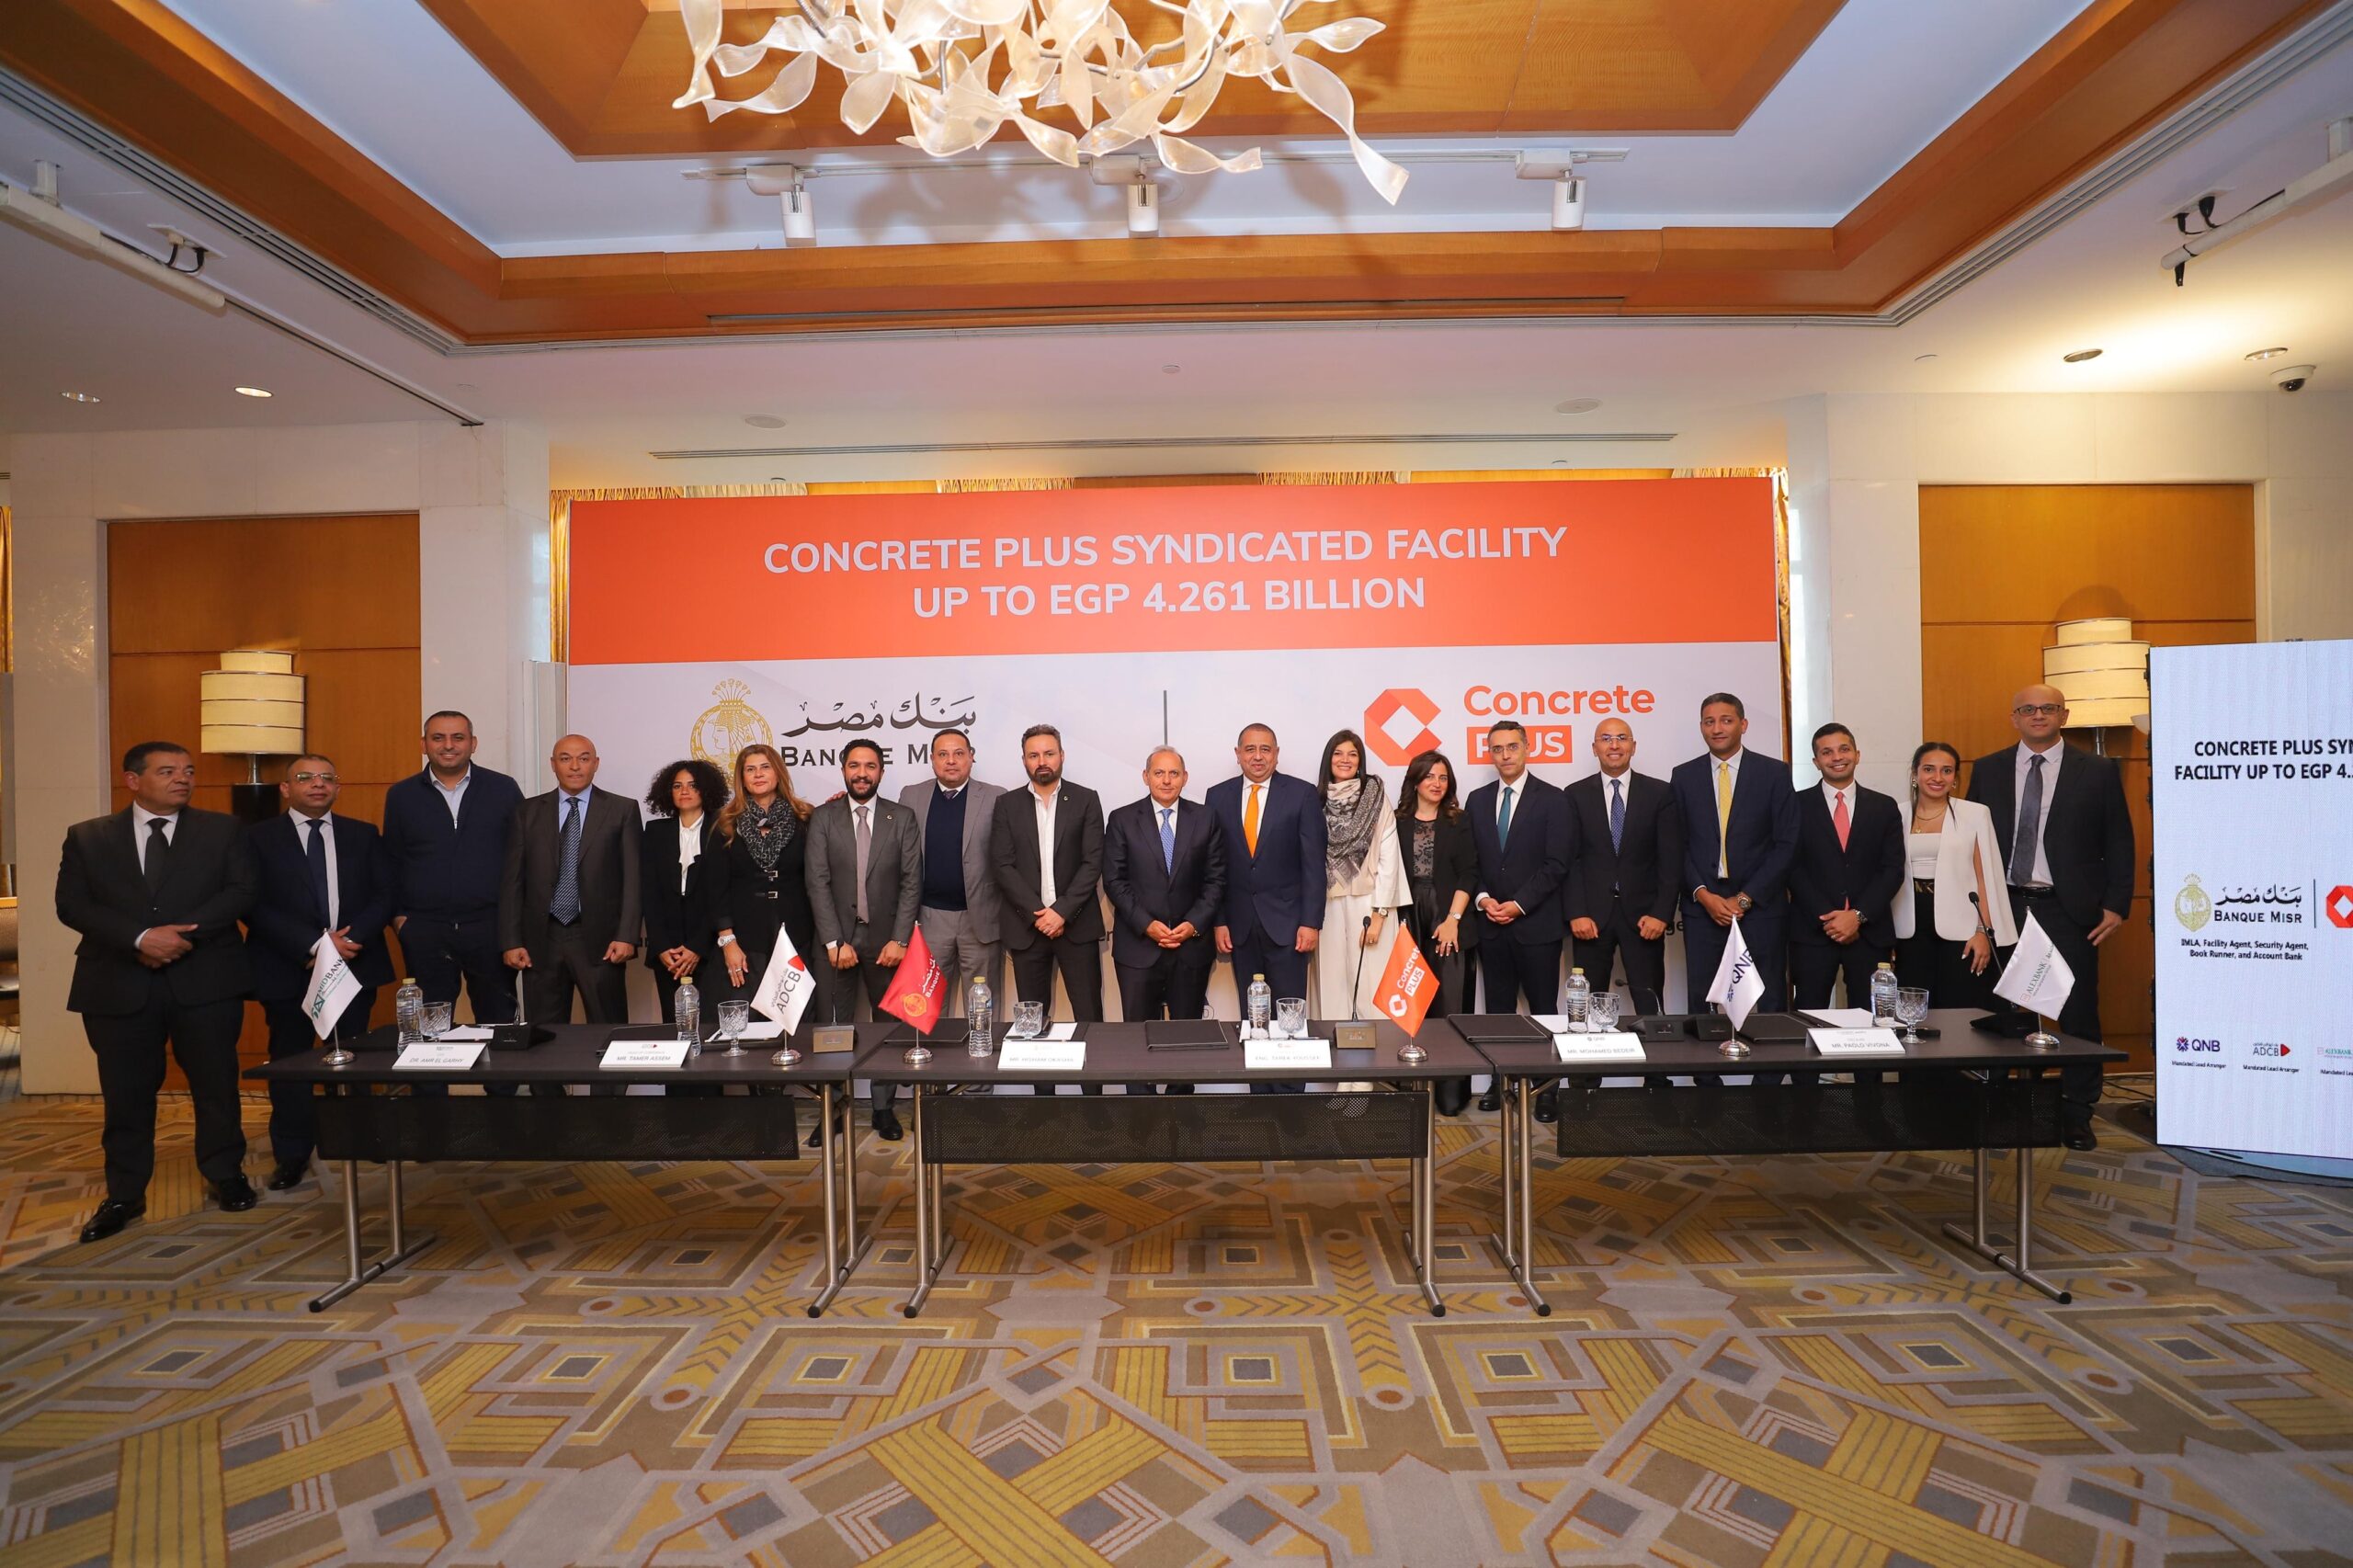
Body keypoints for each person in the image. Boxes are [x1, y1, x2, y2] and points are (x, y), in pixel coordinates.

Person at [58, 742, 258, 1242]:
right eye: (167, 771)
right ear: (133, 780)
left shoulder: (223, 830)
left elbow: (241, 892)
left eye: (187, 771)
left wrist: (177, 938)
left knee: (216, 1085)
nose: (182, 779)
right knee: (125, 1093)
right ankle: (124, 1193)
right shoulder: (88, 837)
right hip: (118, 982)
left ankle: (226, 1174)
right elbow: (73, 905)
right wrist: (140, 939)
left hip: (205, 978)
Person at [1967, 684, 2133, 1151]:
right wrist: (1974, 910)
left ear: (2064, 715)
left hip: (2069, 907)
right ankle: (2000, 1108)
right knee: (2001, 1013)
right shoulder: (1989, 769)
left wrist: (2117, 903)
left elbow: (2119, 839)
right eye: (2028, 708)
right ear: (2014, 717)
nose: (2037, 715)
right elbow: (1972, 844)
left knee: (2077, 1012)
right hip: (2005, 905)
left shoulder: (2097, 770)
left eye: (2048, 708)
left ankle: (2077, 1112)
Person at [244, 753, 393, 1190]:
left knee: (354, 1056)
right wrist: (315, 944)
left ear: (337, 787)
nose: (317, 784)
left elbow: (386, 894)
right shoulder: (256, 838)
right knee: (291, 1060)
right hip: (287, 964)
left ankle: (358, 1136)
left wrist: (349, 940)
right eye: (306, 777)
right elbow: (251, 903)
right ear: (285, 788)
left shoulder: (363, 835)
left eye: (327, 778)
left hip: (354, 962)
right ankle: (292, 1152)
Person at [381, 710, 526, 1096]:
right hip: (425, 930)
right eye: (439, 738)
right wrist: (400, 919)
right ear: (424, 744)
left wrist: (514, 925)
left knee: (497, 1023)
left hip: (489, 926)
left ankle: (503, 1115)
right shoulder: (402, 795)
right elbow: (391, 860)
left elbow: (521, 857)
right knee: (428, 1033)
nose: (448, 745)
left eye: (458, 737)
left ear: (473, 744)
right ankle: (432, 1119)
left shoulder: (503, 789)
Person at [500, 733, 642, 1095]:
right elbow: (513, 881)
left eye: (583, 758)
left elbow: (633, 879)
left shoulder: (622, 809)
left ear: (596, 763)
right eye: (565, 758)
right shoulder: (527, 812)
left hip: (600, 941)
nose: (575, 766)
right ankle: (552, 1115)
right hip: (541, 940)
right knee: (543, 1036)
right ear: (553, 764)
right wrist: (511, 940)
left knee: (610, 1033)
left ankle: (608, 1116)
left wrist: (627, 935)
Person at [805, 737, 923, 1137]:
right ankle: (833, 1110)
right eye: (854, 765)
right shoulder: (823, 818)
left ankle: (883, 1109)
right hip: (835, 942)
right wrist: (833, 941)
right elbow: (817, 882)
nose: (861, 773)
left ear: (881, 772)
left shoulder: (901, 817)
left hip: (887, 942)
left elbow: (912, 882)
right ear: (843, 770)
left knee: (888, 1029)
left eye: (870, 766)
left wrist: (900, 940)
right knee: (832, 1028)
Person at [1207, 723, 1325, 1094]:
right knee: (1253, 1018)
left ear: (1276, 753)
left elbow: (1313, 864)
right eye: (1250, 749)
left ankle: (1290, 1099)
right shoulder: (1218, 796)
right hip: (1239, 926)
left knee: (1290, 1016)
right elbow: (1215, 866)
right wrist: (1219, 921)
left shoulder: (1302, 794)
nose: (1257, 757)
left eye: (1265, 749)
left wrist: (1310, 922)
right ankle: (1260, 1096)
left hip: (1289, 925)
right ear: (1238, 754)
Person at [989, 725, 1108, 1094]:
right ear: (1024, 760)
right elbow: (1002, 865)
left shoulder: (1086, 799)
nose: (1042, 761)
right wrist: (1038, 913)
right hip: (1028, 928)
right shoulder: (1006, 805)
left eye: (1049, 753)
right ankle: (1043, 1106)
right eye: (1034, 755)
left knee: (1089, 1017)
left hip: (1077, 926)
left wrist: (1062, 912)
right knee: (1032, 1023)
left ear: (1062, 756)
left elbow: (1093, 862)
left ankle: (1094, 1104)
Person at [1103, 746, 1227, 1095]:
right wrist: (1147, 924)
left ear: (1185, 778)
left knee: (1186, 1040)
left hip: (1190, 947)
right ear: (1146, 777)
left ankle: (1180, 1113)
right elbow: (1114, 880)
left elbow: (1216, 880)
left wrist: (1193, 924)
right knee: (1137, 1038)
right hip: (1138, 947)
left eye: (1174, 773)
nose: (1167, 780)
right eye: (1159, 773)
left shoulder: (1206, 818)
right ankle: (1142, 1116)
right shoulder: (1122, 819)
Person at [1466, 719, 1573, 1113]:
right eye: (1497, 748)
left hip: (1536, 924)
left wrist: (1519, 904)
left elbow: (1557, 864)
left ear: (1527, 748)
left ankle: (1546, 1089)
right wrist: (1483, 900)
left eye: (1512, 747)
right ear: (1489, 753)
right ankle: (1500, 1082)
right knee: (1498, 1012)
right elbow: (1471, 862)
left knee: (1544, 1009)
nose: (1505, 755)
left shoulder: (1553, 799)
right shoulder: (1477, 800)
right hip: (1490, 923)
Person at [1672, 692, 1798, 1017]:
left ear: (1743, 724)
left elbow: (1786, 844)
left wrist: (1746, 898)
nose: (1717, 728)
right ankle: (1706, 1057)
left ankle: (1768, 1056)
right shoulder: (1683, 776)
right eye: (1709, 721)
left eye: (1726, 721)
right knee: (1701, 1001)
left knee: (1770, 1000)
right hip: (1704, 907)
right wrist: (1703, 895)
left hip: (1761, 905)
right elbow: (1677, 844)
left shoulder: (1774, 773)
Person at [1563, 718, 1682, 1014]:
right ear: (1594, 748)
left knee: (1650, 1008)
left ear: (1633, 746)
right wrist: (1577, 912)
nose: (1614, 745)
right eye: (1605, 739)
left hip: (1644, 919)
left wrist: (1661, 914)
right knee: (1587, 1010)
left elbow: (1670, 860)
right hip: (1591, 920)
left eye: (1621, 738)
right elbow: (1570, 860)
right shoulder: (1574, 794)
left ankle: (1653, 1047)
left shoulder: (1659, 793)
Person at [1787, 723, 1906, 1014]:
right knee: (1808, 1018)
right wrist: (1830, 920)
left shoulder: (1884, 806)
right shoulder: (1795, 805)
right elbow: (1792, 868)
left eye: (1844, 749)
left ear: (1857, 754)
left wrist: (1857, 916)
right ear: (1816, 761)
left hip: (1869, 934)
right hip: (1812, 933)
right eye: (1826, 752)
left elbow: (1892, 869)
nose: (1837, 757)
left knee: (1871, 1019)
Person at [1894, 742, 2014, 1014]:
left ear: (1955, 778)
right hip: (1910, 926)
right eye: (1929, 769)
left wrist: (1983, 932)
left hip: (1962, 926)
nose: (1937, 777)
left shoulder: (1975, 813)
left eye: (1946, 771)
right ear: (1914, 774)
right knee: (1913, 1011)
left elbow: (1986, 878)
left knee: (1959, 1008)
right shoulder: (1897, 814)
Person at [898, 729, 1006, 1017]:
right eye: (943, 754)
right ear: (932, 759)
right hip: (929, 918)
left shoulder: (996, 796)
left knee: (983, 1008)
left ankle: (982, 1045)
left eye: (959, 753)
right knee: (926, 1007)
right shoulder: (911, 795)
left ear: (971, 757)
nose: (951, 761)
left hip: (980, 919)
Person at [641, 757, 732, 1095]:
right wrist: (661, 945)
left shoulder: (723, 829)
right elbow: (648, 893)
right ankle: (677, 1108)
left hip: (708, 946)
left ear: (706, 790)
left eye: (692, 785)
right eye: (677, 785)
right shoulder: (656, 831)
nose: (684, 791)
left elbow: (721, 894)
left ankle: (711, 1108)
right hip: (668, 949)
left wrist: (697, 947)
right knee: (674, 1028)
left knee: (708, 1030)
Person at [1395, 750, 1478, 1117]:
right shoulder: (1396, 821)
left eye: (1443, 777)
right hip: (1406, 917)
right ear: (1415, 781)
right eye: (1429, 776)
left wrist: (1453, 919)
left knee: (1450, 1006)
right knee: (1408, 1005)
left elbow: (1469, 873)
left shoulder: (1459, 821)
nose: (1437, 783)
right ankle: (1408, 1090)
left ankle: (1450, 1095)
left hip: (1449, 919)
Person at [1312, 729, 1407, 1023]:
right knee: (1331, 982)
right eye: (1338, 753)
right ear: (1328, 759)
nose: (1345, 760)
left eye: (1352, 754)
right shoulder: (1314, 801)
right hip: (1327, 902)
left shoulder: (1376, 799)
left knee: (1373, 981)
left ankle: (1381, 1048)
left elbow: (1389, 858)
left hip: (1370, 902)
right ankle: (1332, 1044)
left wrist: (1380, 914)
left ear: (1360, 761)